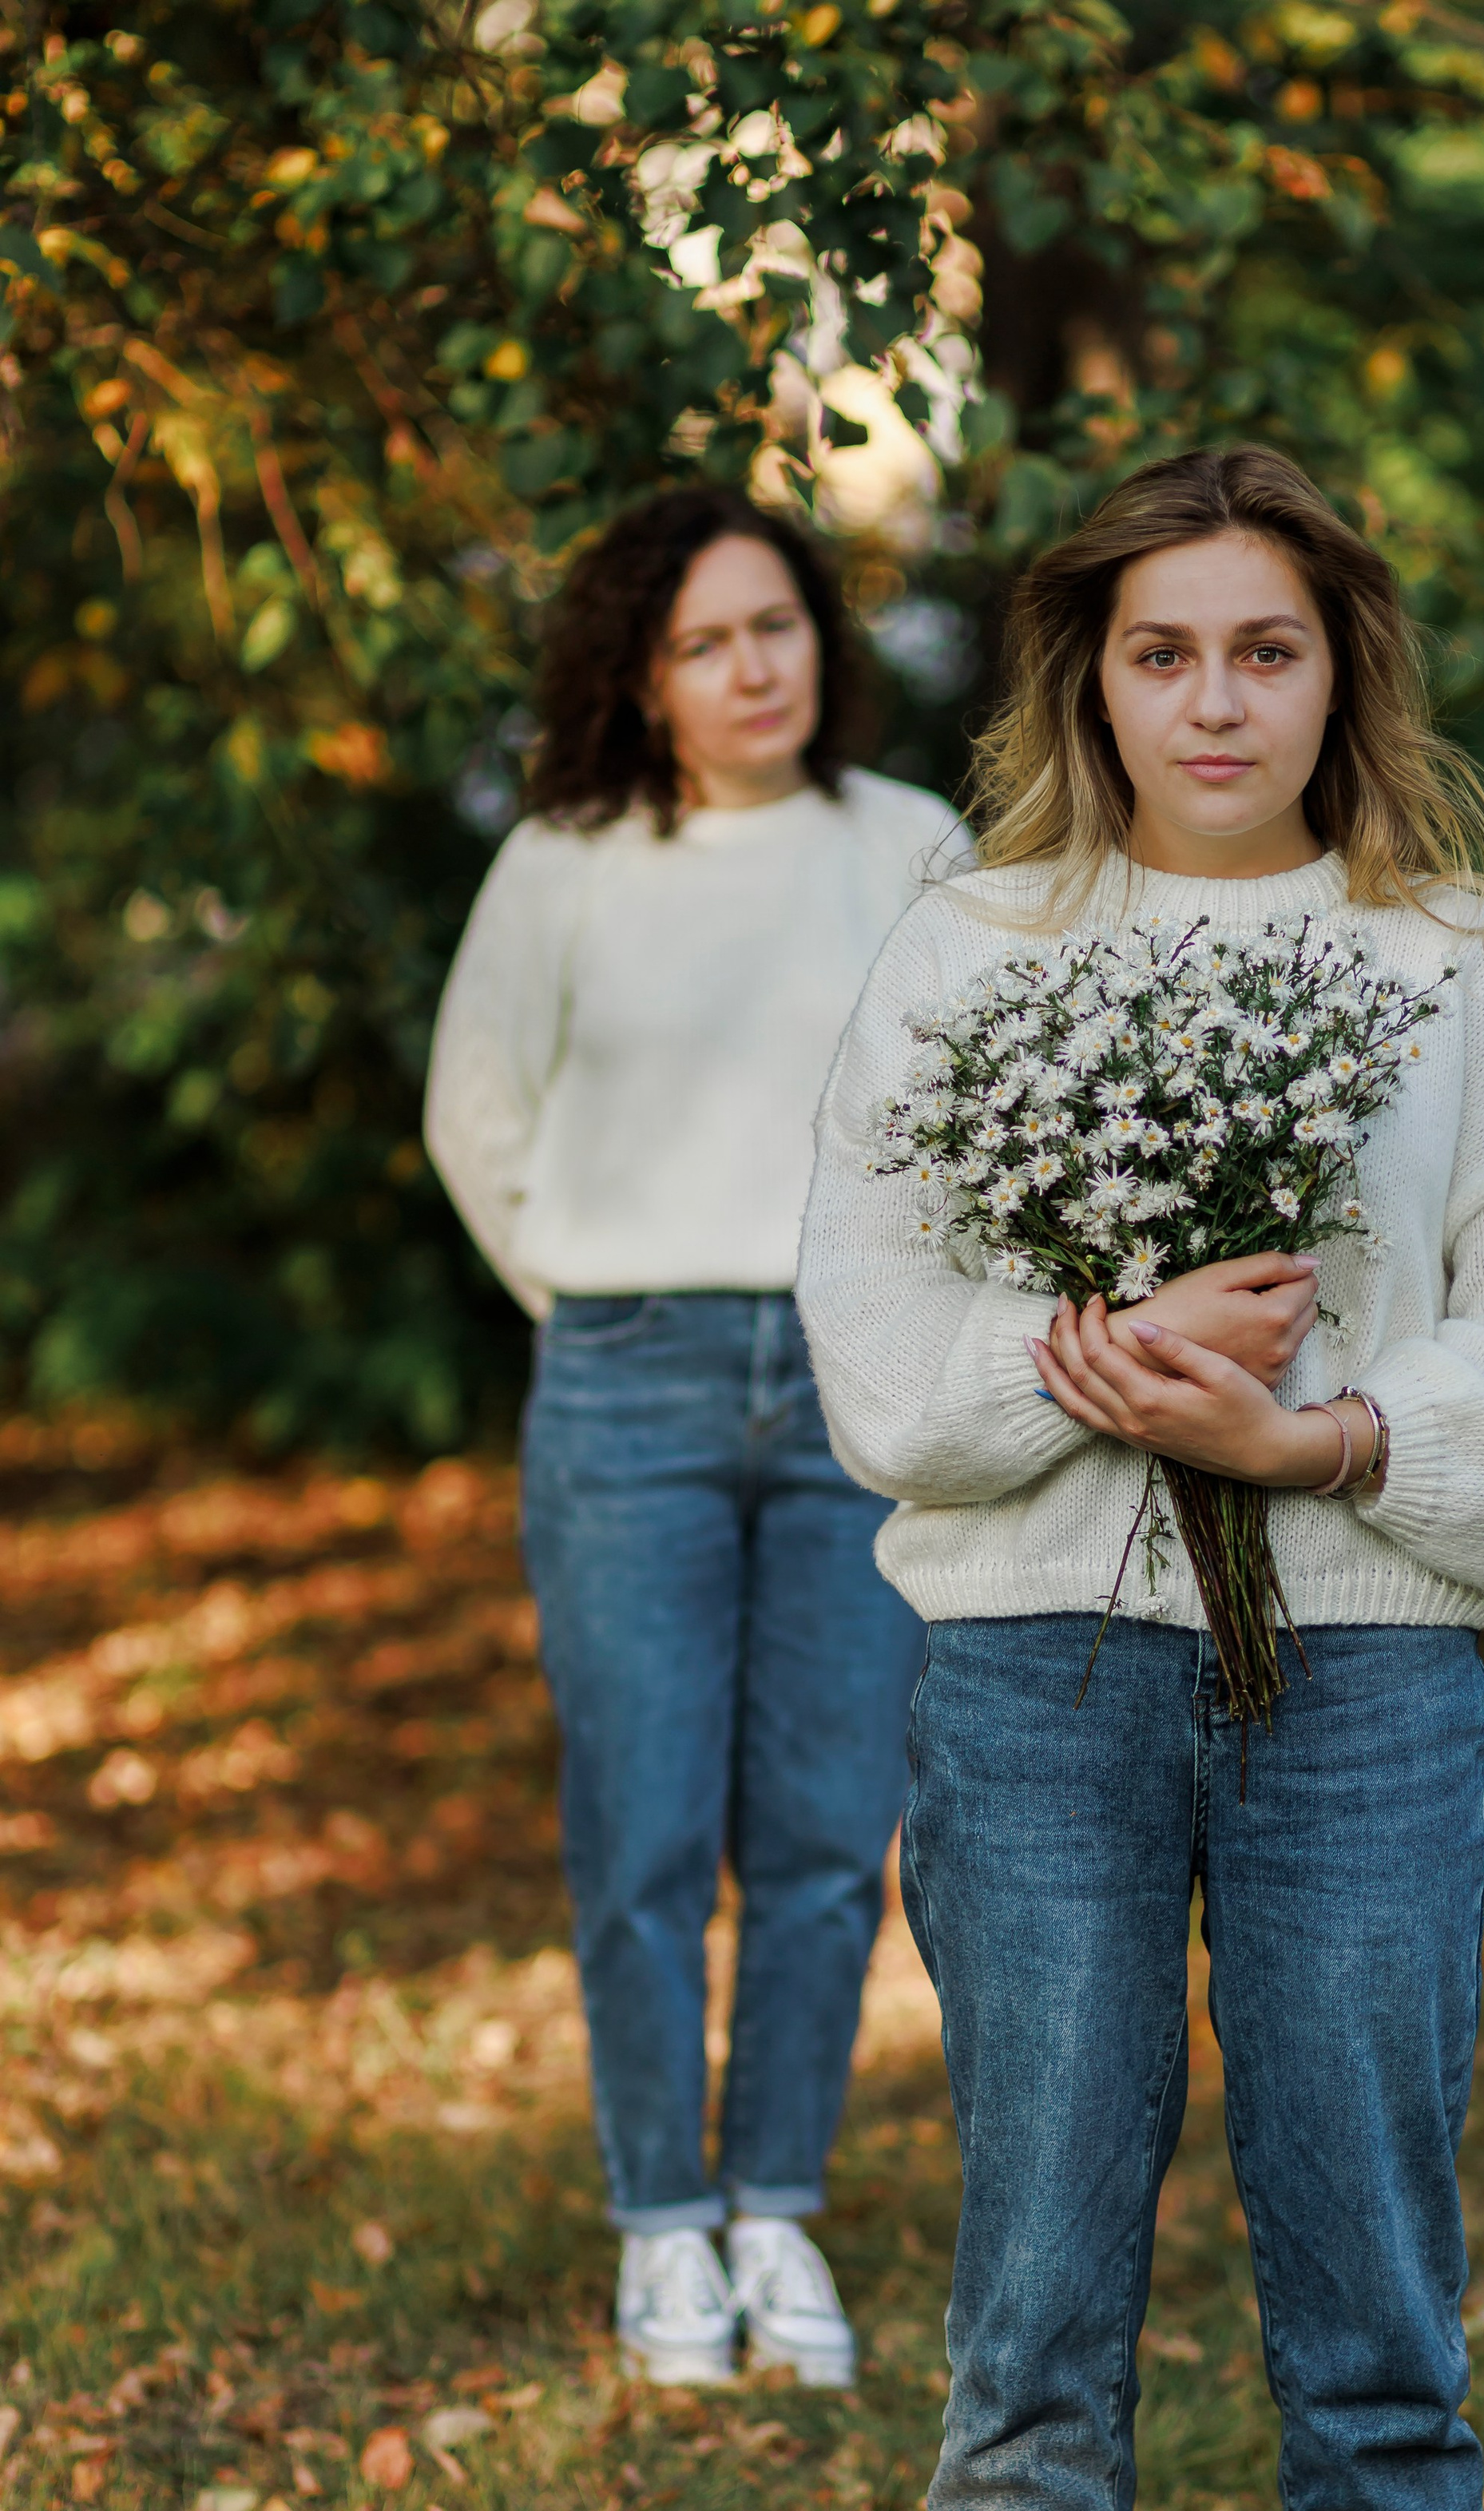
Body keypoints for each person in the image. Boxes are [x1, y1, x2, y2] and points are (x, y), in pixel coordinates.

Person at [797, 447, 1484, 2511]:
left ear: (1339, 668)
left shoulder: (1455, 959)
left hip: (1365, 1671)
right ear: (1096, 675)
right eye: (1166, 652)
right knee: (1039, 2265)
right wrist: (1081, 1373)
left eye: (1265, 647)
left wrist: (1332, 1445)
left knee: (1371, 2259)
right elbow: (874, 1323)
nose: (1217, 698)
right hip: (1038, 1669)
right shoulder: (974, 942)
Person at [425, 486, 959, 2389]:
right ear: (641, 683)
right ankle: (662, 2226)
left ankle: (774, 2213)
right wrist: (591, 1293)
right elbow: (475, 1121)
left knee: (825, 1834)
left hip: (848, 1388)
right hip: (629, 1383)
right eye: (704, 642)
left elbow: (970, 1127)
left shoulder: (912, 851)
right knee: (640, 1830)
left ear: (824, 639)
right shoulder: (567, 861)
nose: (753, 669)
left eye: (779, 627)